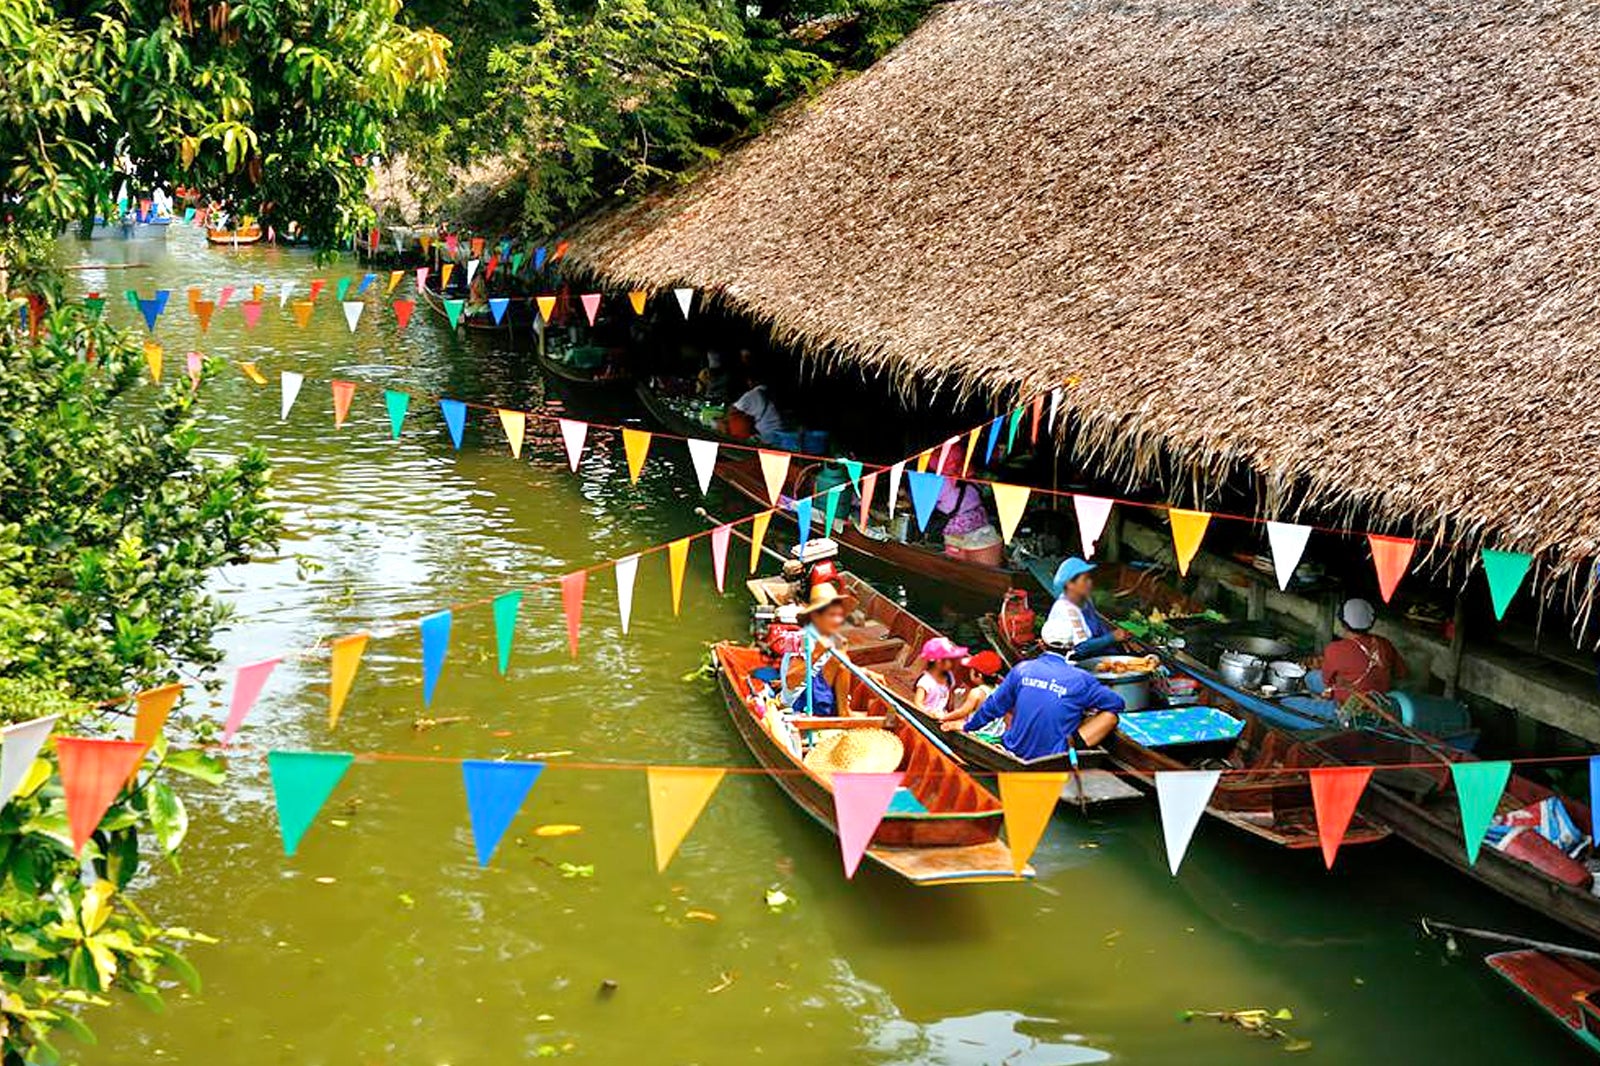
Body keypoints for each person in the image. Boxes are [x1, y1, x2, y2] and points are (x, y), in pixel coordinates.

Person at [942, 633, 1124, 758]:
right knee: (1110, 716)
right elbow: (1117, 703)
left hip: (1015, 747)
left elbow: (992, 708)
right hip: (1055, 754)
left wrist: (967, 727)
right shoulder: (1082, 679)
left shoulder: (1022, 669)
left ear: (1041, 644)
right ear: (1072, 648)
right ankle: (1070, 747)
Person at [781, 581, 881, 717]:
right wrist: (816, 653)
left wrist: (866, 673)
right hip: (799, 702)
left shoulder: (830, 636)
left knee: (842, 659)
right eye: (832, 615)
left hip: (819, 692)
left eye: (839, 615)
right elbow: (791, 681)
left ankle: (843, 710)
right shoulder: (800, 639)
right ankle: (844, 712)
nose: (838, 620)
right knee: (841, 661)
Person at [1319, 597, 1408, 704]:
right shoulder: (1384, 643)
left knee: (1310, 679)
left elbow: (1327, 681)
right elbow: (1401, 673)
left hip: (1346, 706)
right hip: (1379, 701)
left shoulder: (1334, 649)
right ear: (1371, 623)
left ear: (1343, 623)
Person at [1040, 557, 1127, 659]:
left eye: (1089, 578)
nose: (1090, 582)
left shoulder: (1084, 601)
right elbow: (1080, 648)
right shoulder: (1067, 609)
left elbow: (1099, 626)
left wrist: (1118, 641)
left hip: (1097, 654)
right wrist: (1112, 638)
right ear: (1070, 584)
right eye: (1085, 579)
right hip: (1077, 661)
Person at [931, 448, 1003, 565]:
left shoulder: (940, 483)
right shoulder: (973, 478)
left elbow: (928, 505)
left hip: (955, 529)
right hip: (980, 524)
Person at [945, 649, 1006, 730]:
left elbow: (962, 712)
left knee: (949, 724)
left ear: (979, 675)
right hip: (994, 734)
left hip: (979, 732)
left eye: (972, 669)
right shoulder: (1000, 690)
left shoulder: (977, 692)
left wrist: (944, 717)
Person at [913, 637, 970, 716]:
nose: (953, 663)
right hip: (927, 716)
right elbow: (918, 703)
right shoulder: (925, 682)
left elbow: (948, 701)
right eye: (950, 660)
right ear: (939, 661)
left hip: (942, 715)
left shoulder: (949, 677)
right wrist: (929, 714)